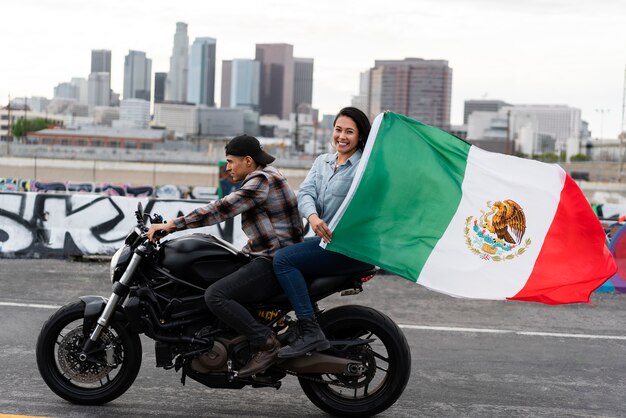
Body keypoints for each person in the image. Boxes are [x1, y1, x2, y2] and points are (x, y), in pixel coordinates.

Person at [147, 134, 304, 377]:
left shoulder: (260, 181)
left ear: (248, 161)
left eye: (231, 161)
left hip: (274, 261)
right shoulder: (269, 175)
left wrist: (171, 225)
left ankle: (266, 343)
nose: (227, 167)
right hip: (273, 255)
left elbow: (221, 209)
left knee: (216, 295)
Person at [273, 107, 374, 358]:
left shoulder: (365, 167)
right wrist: (313, 217)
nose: (342, 136)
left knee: (283, 261)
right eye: (338, 129)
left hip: (348, 246)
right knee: (276, 252)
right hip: (325, 240)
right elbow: (305, 193)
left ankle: (309, 330)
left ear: (360, 136)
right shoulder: (323, 162)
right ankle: (301, 321)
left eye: (349, 132)